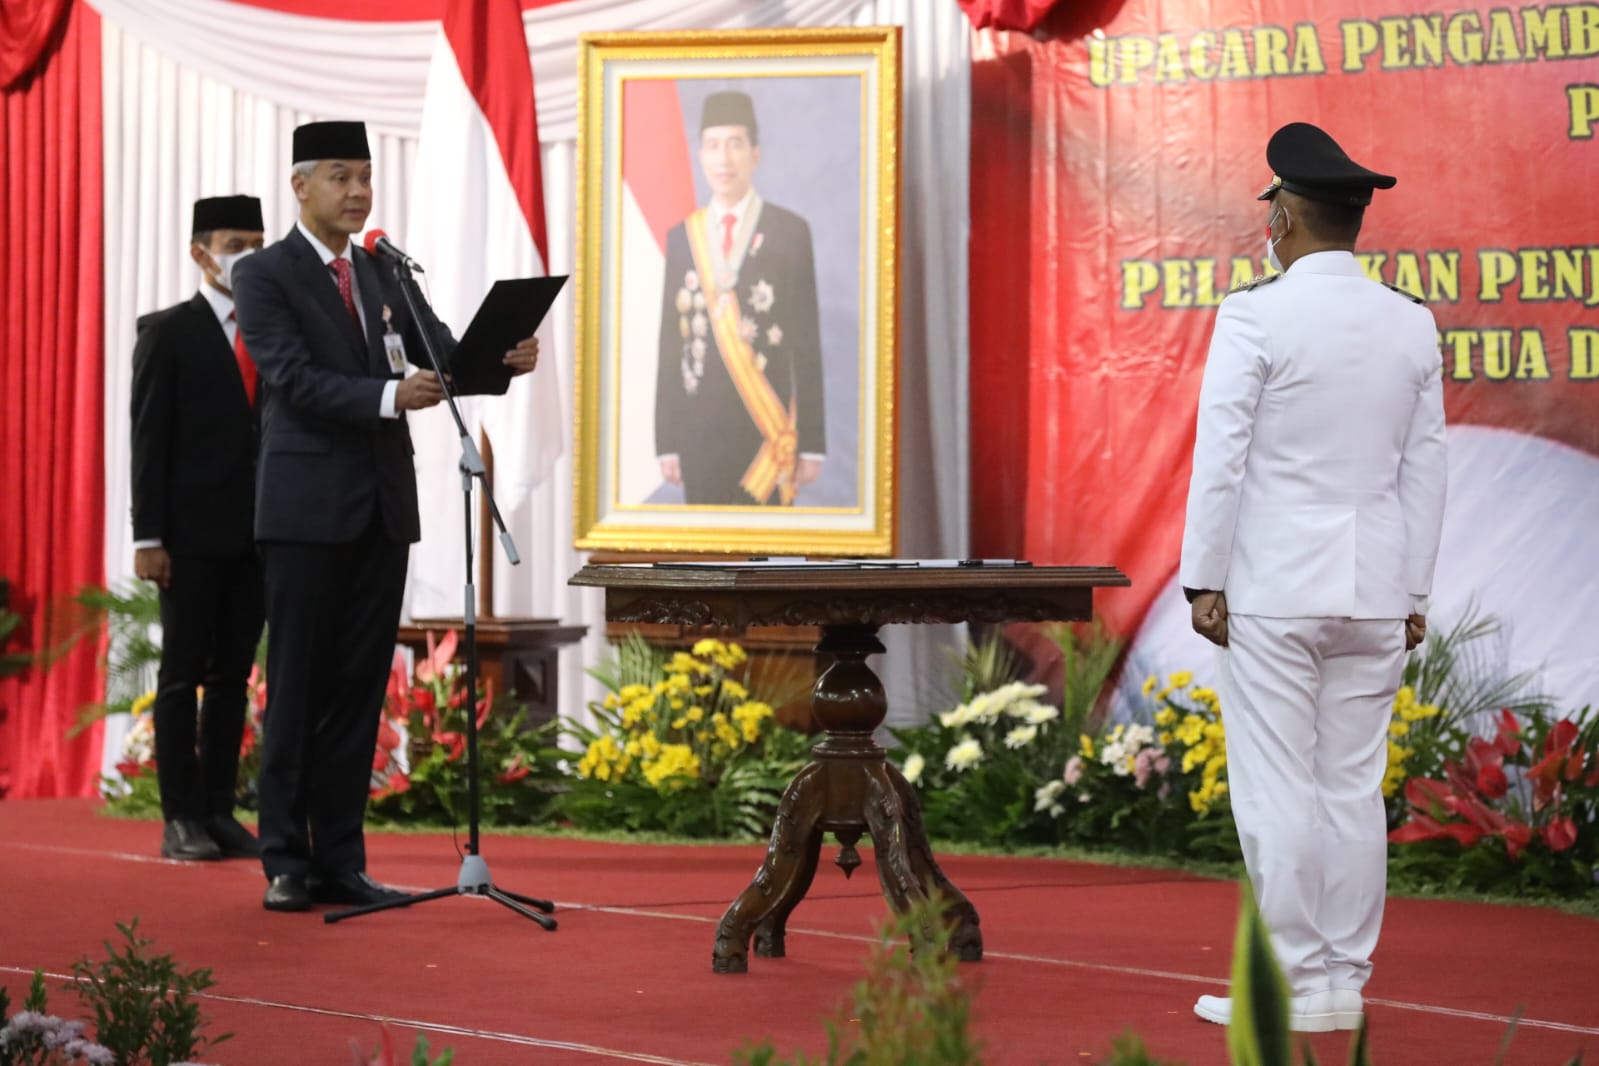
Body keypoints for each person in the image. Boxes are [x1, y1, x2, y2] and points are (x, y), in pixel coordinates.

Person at [1178, 122, 1448, 1032]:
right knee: (1347, 787)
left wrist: (1201, 578)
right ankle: (1340, 985)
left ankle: (1292, 983)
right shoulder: (1410, 320)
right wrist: (1414, 591)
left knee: (1277, 788)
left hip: (1274, 588)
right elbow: (1425, 468)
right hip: (1375, 590)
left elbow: (1222, 455)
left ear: (1283, 218)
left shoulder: (1254, 313)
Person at [233, 120, 541, 912]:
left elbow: (442, 356)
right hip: (303, 513)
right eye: (340, 176)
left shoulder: (382, 269)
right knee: (297, 687)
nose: (359, 191)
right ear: (300, 186)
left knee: (359, 691)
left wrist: (500, 361)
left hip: (379, 510)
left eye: (365, 175)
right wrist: (382, 397)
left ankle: (340, 859)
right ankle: (285, 862)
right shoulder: (263, 274)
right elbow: (290, 378)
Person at [130, 195, 269, 862]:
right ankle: (178, 815)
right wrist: (147, 538)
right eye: (235, 243)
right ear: (200, 252)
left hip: (259, 533)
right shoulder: (169, 331)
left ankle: (218, 809)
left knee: (234, 678)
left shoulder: (273, 328)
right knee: (182, 673)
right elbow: (148, 441)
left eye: (257, 243)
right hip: (187, 537)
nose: (247, 255)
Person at [654, 90, 825, 506]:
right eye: (713, 146)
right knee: (706, 565)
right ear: (700, 155)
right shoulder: (683, 239)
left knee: (767, 567)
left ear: (755, 154)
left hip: (766, 434)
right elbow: (670, 344)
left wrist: (813, 442)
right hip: (699, 435)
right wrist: (667, 441)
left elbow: (807, 342)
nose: (724, 159)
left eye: (735, 145)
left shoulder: (790, 232)